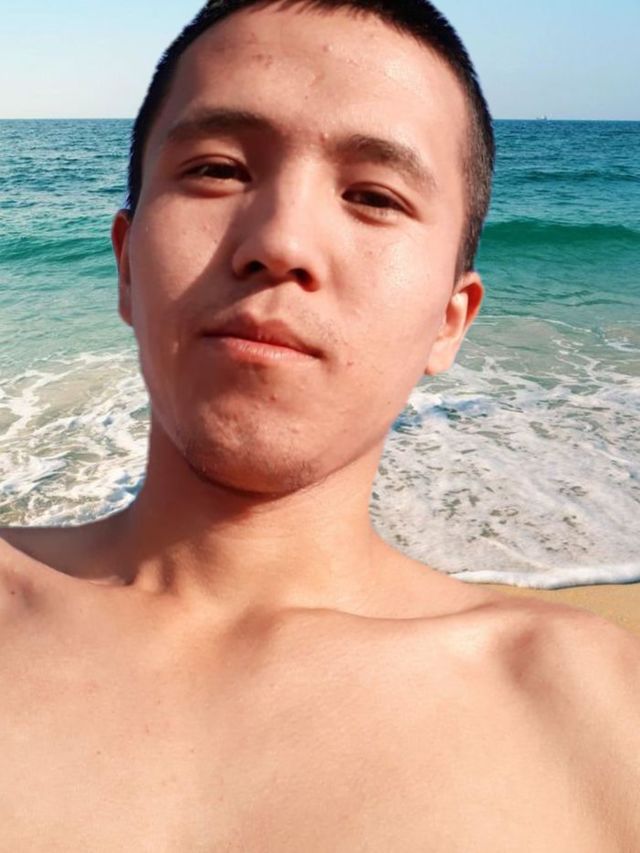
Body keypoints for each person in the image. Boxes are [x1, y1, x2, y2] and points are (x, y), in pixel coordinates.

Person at [1, 0, 639, 848]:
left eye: (373, 195)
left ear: (450, 320)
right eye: (217, 169)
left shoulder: (595, 709)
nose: (282, 241)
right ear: (124, 262)